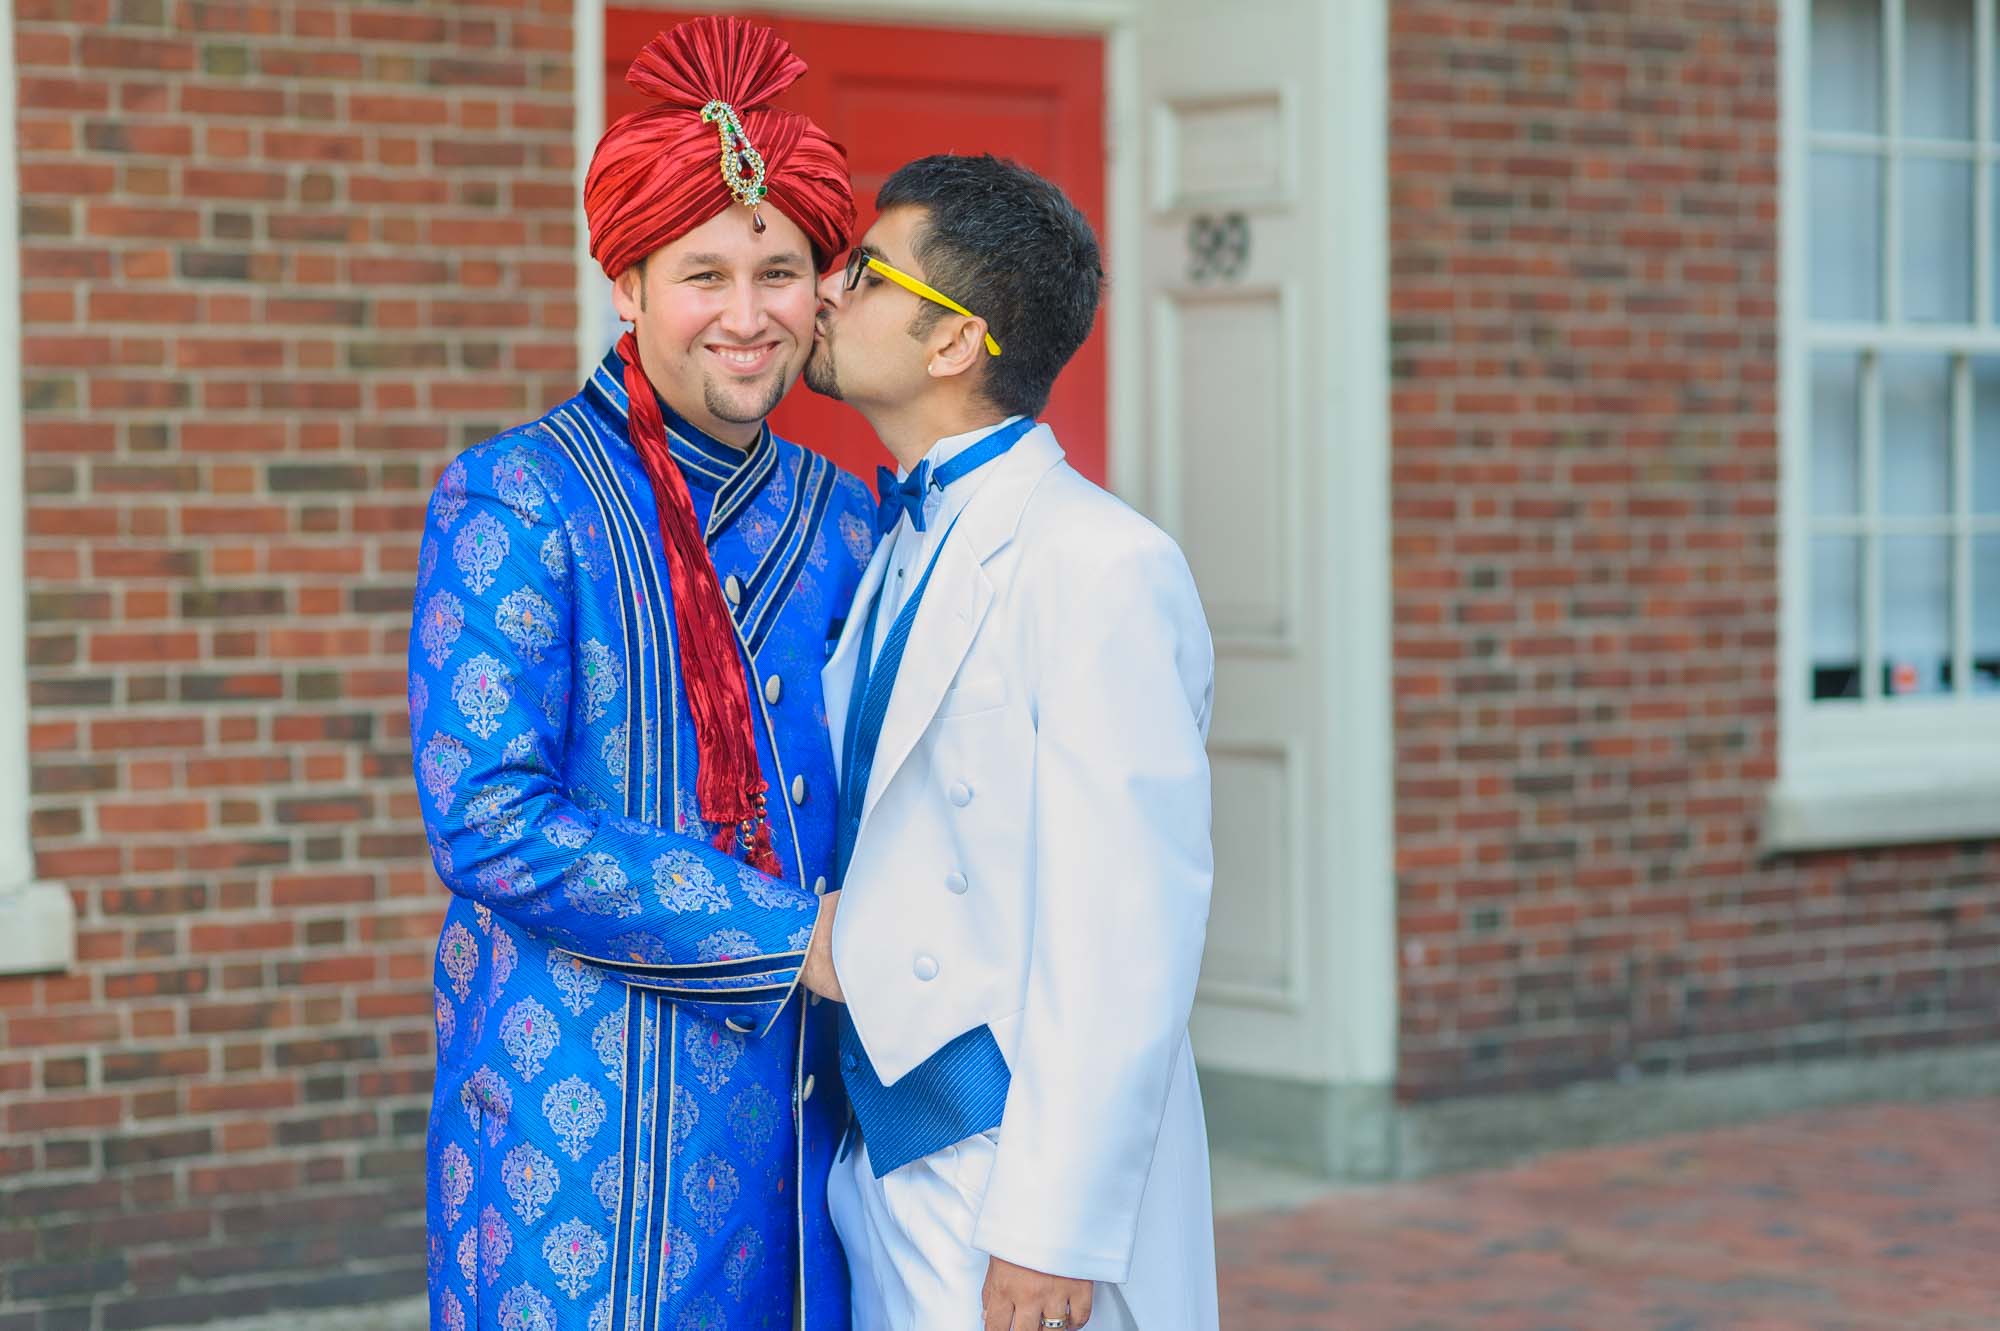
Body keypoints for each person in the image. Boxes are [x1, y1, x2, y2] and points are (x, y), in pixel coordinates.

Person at [407, 17, 877, 1329]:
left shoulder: (846, 517)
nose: (747, 315)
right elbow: (488, 822)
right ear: (626, 283)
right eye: (703, 272)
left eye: (779, 270)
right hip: (584, 1127)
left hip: (805, 1126)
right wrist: (794, 933)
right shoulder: (514, 497)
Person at [796, 154, 1221, 1331]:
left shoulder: (1100, 563)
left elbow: (1128, 925)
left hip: (1003, 1170)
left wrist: (1049, 1225)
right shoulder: (887, 541)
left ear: (953, 344)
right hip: (876, 1152)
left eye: (866, 273)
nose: (826, 291)